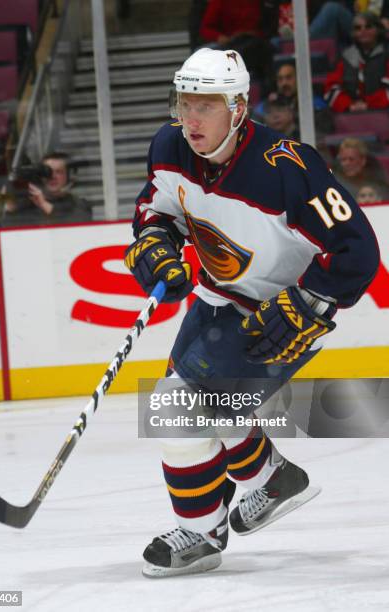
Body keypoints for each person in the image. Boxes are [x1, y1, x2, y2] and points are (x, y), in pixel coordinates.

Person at [125, 48, 380, 578]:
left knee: (177, 410)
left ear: (238, 108)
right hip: (217, 298)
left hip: (278, 313)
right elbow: (158, 207)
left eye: (206, 105)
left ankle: (201, 533)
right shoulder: (169, 146)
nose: (190, 118)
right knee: (204, 409)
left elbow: (358, 251)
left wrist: (309, 301)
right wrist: (155, 242)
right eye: (184, 102)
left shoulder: (288, 169)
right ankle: (272, 478)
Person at [1, 152, 92, 227]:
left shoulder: (79, 204)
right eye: (47, 172)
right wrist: (10, 204)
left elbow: (81, 223)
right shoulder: (26, 204)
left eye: (59, 172)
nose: (52, 176)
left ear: (69, 176)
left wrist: (44, 204)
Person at [324, 11, 389, 112]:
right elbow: (330, 88)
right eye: (358, 28)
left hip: (383, 115)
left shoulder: (386, 54)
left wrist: (368, 104)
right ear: (353, 33)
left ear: (378, 30)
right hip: (350, 116)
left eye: (368, 26)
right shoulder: (345, 57)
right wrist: (349, 105)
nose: (363, 31)